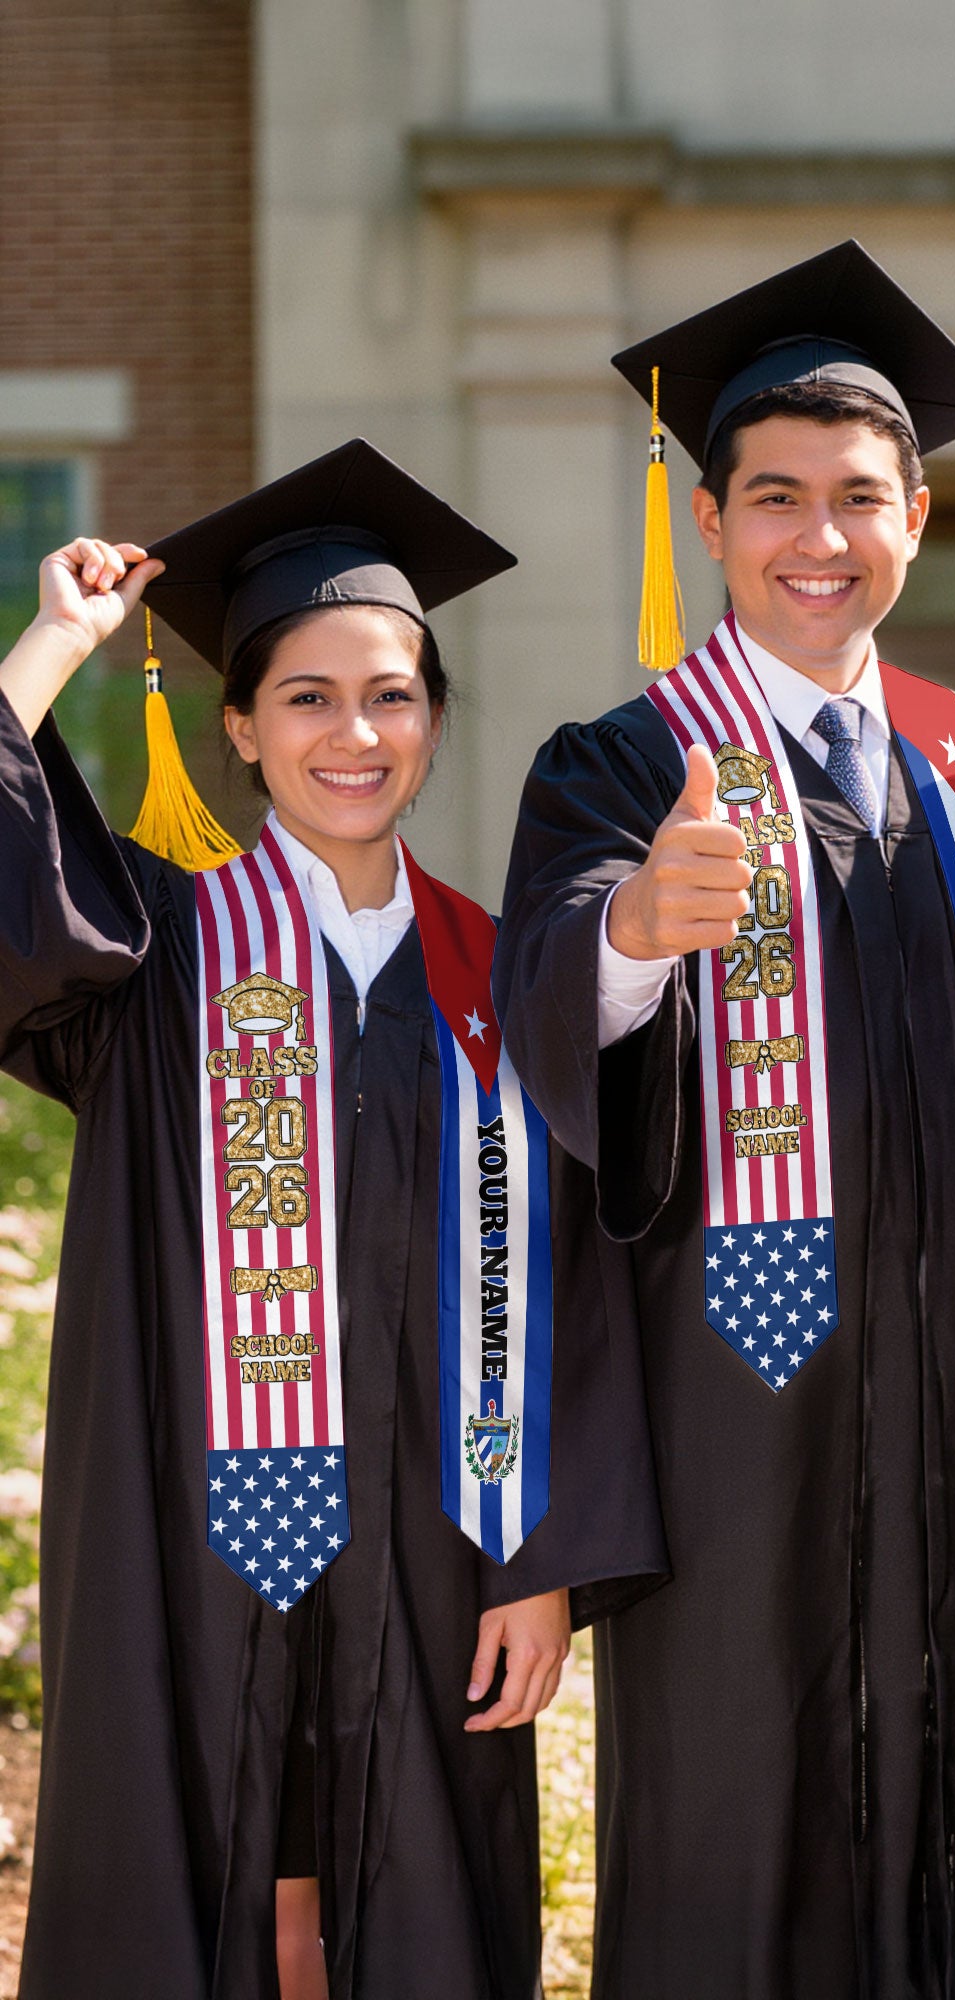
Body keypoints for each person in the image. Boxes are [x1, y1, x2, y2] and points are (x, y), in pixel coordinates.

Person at [494, 241, 955, 1998]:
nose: (818, 538)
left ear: (917, 515)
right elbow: (549, 1004)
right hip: (731, 1416)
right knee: (734, 1838)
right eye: (776, 498)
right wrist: (632, 932)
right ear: (710, 522)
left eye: (860, 498)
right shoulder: (620, 765)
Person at [0, 440, 664, 2000]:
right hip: (188, 1534)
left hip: (443, 1547)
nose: (352, 733)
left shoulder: (509, 978)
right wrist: (52, 647)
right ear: (238, 726)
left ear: (434, 719)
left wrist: (545, 1560)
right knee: (198, 1868)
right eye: (305, 697)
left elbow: (581, 1278)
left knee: (421, 1896)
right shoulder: (152, 953)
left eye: (391, 694)